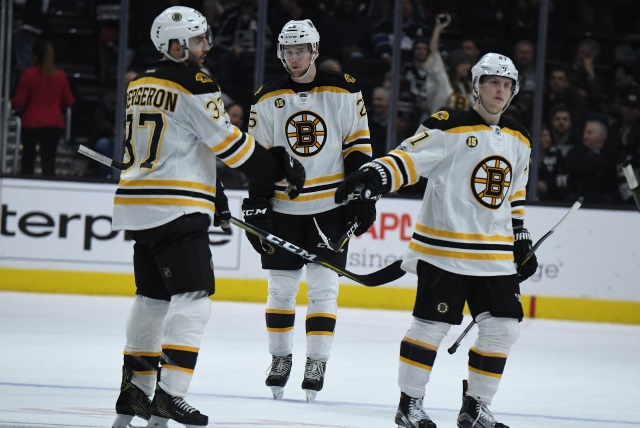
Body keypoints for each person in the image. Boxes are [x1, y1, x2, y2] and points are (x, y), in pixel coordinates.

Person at [110, 7, 305, 428]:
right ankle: (170, 395)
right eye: (199, 40)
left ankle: (135, 391)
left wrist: (212, 190)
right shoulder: (194, 81)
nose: (207, 47)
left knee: (150, 298)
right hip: (176, 209)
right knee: (194, 298)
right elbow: (227, 144)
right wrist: (277, 167)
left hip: (138, 205)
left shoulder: (139, 83)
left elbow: (180, 145)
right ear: (177, 46)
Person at [335, 53, 538, 428]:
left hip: (494, 255)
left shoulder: (520, 137)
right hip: (443, 251)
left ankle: (476, 406)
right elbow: (408, 159)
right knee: (430, 327)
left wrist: (521, 236)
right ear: (476, 86)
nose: (500, 89)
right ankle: (409, 405)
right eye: (492, 81)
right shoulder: (449, 125)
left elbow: (516, 192)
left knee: (504, 327)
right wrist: (373, 176)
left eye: (507, 84)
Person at [242, 19, 375, 402]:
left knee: (323, 288)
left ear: (315, 50)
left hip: (331, 207)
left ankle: (317, 361)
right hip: (284, 207)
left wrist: (363, 194)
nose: (294, 58)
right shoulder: (266, 96)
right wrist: (256, 203)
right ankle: (280, 358)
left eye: (301, 50)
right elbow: (260, 156)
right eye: (288, 51)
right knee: (281, 289)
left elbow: (358, 143)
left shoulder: (345, 88)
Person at [11, 38, 75, 176]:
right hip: (53, 123)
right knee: (49, 161)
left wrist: (9, 102)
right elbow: (69, 100)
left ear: (34, 56)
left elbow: (19, 102)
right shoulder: (61, 76)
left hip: (31, 122)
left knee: (28, 159)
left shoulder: (28, 75)